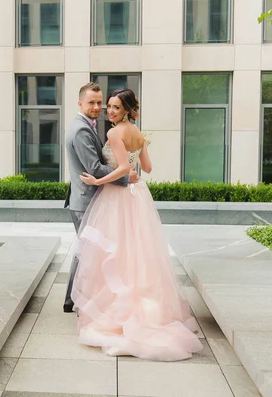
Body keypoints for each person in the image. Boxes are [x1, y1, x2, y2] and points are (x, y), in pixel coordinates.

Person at [73, 88, 203, 361]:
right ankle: (144, 303)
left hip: (118, 196)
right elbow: (148, 167)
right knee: (137, 251)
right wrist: (134, 161)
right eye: (108, 106)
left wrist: (98, 181)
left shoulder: (114, 133)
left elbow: (121, 168)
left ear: (128, 110)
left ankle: (120, 310)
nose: (110, 111)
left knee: (115, 251)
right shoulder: (138, 133)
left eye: (115, 107)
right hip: (139, 196)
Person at [63, 83, 140, 313]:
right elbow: (95, 168)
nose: (97, 107)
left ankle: (74, 299)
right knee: (88, 252)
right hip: (86, 199)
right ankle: (75, 300)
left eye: (100, 103)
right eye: (92, 103)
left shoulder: (88, 126)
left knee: (87, 251)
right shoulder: (81, 130)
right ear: (80, 103)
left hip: (89, 198)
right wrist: (126, 177)